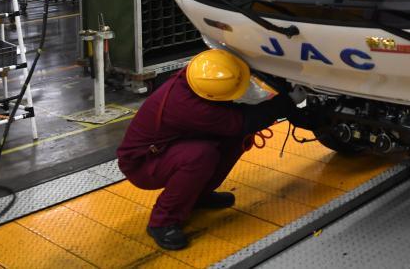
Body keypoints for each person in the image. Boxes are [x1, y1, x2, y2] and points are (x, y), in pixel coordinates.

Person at [117, 48, 302, 249]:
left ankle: (197, 196)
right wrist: (287, 102)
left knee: (233, 139)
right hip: (142, 164)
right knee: (200, 156)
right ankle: (162, 221)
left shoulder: (197, 74)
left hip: (169, 145)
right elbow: (241, 121)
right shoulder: (192, 108)